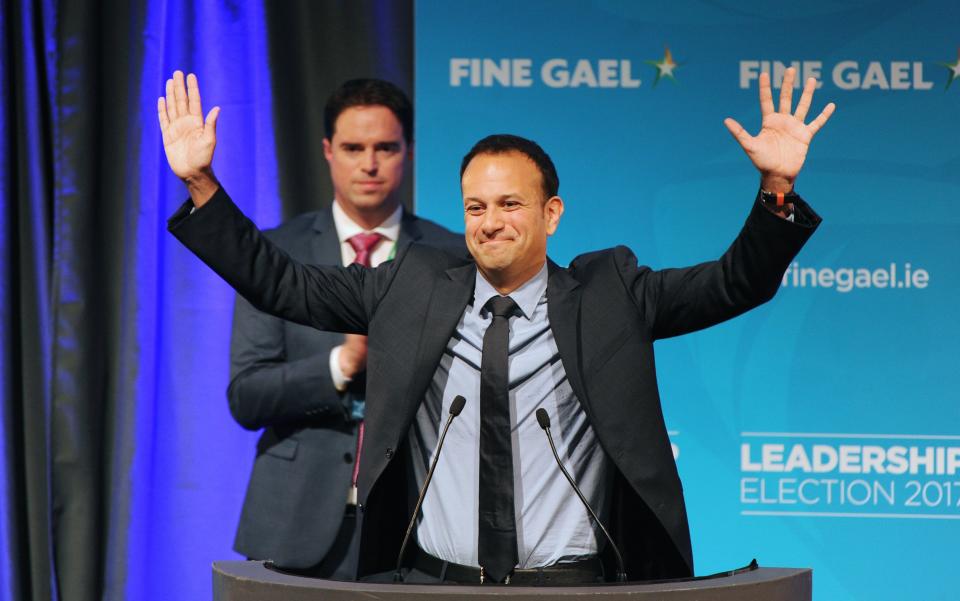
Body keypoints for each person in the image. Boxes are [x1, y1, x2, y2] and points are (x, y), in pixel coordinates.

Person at [158, 67, 834, 584]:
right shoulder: (411, 285)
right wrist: (202, 187)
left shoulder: (610, 292)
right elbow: (282, 282)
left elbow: (734, 281)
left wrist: (776, 190)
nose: (489, 221)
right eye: (475, 205)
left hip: (574, 585)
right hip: (434, 583)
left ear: (552, 213)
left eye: (511, 203)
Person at [221, 79, 463, 578]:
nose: (369, 164)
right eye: (354, 148)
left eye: (385, 148)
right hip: (295, 526)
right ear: (329, 151)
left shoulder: (453, 258)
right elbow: (248, 396)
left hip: (421, 528)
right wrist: (343, 363)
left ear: (409, 153)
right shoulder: (276, 254)